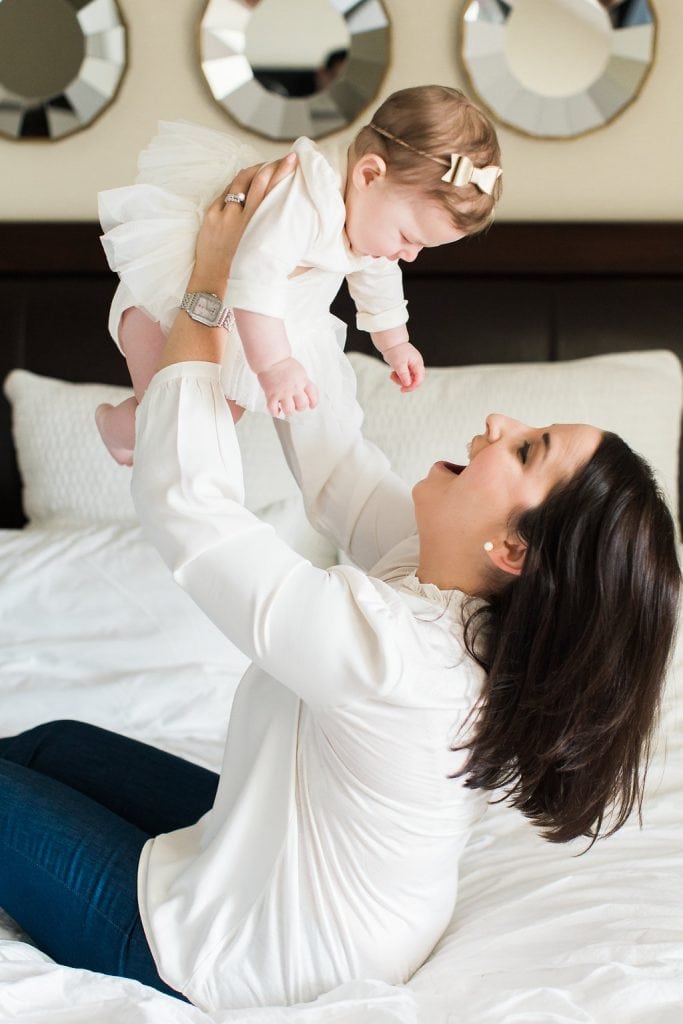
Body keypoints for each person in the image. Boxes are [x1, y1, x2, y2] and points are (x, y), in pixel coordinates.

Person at [0, 158, 679, 1014]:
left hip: (242, 958)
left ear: (514, 548)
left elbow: (190, 511)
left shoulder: (400, 657)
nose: (500, 425)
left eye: (525, 450)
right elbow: (334, 467)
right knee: (56, 742)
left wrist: (208, 290)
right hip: (267, 878)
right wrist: (298, 275)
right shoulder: (447, 593)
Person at [95, 85, 502, 463]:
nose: (409, 255)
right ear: (368, 175)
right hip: (168, 292)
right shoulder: (304, 198)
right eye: (407, 237)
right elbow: (257, 276)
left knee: (218, 416)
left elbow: (378, 276)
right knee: (170, 419)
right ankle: (116, 429)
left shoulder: (368, 214)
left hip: (234, 315)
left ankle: (131, 436)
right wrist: (275, 366)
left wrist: (396, 343)